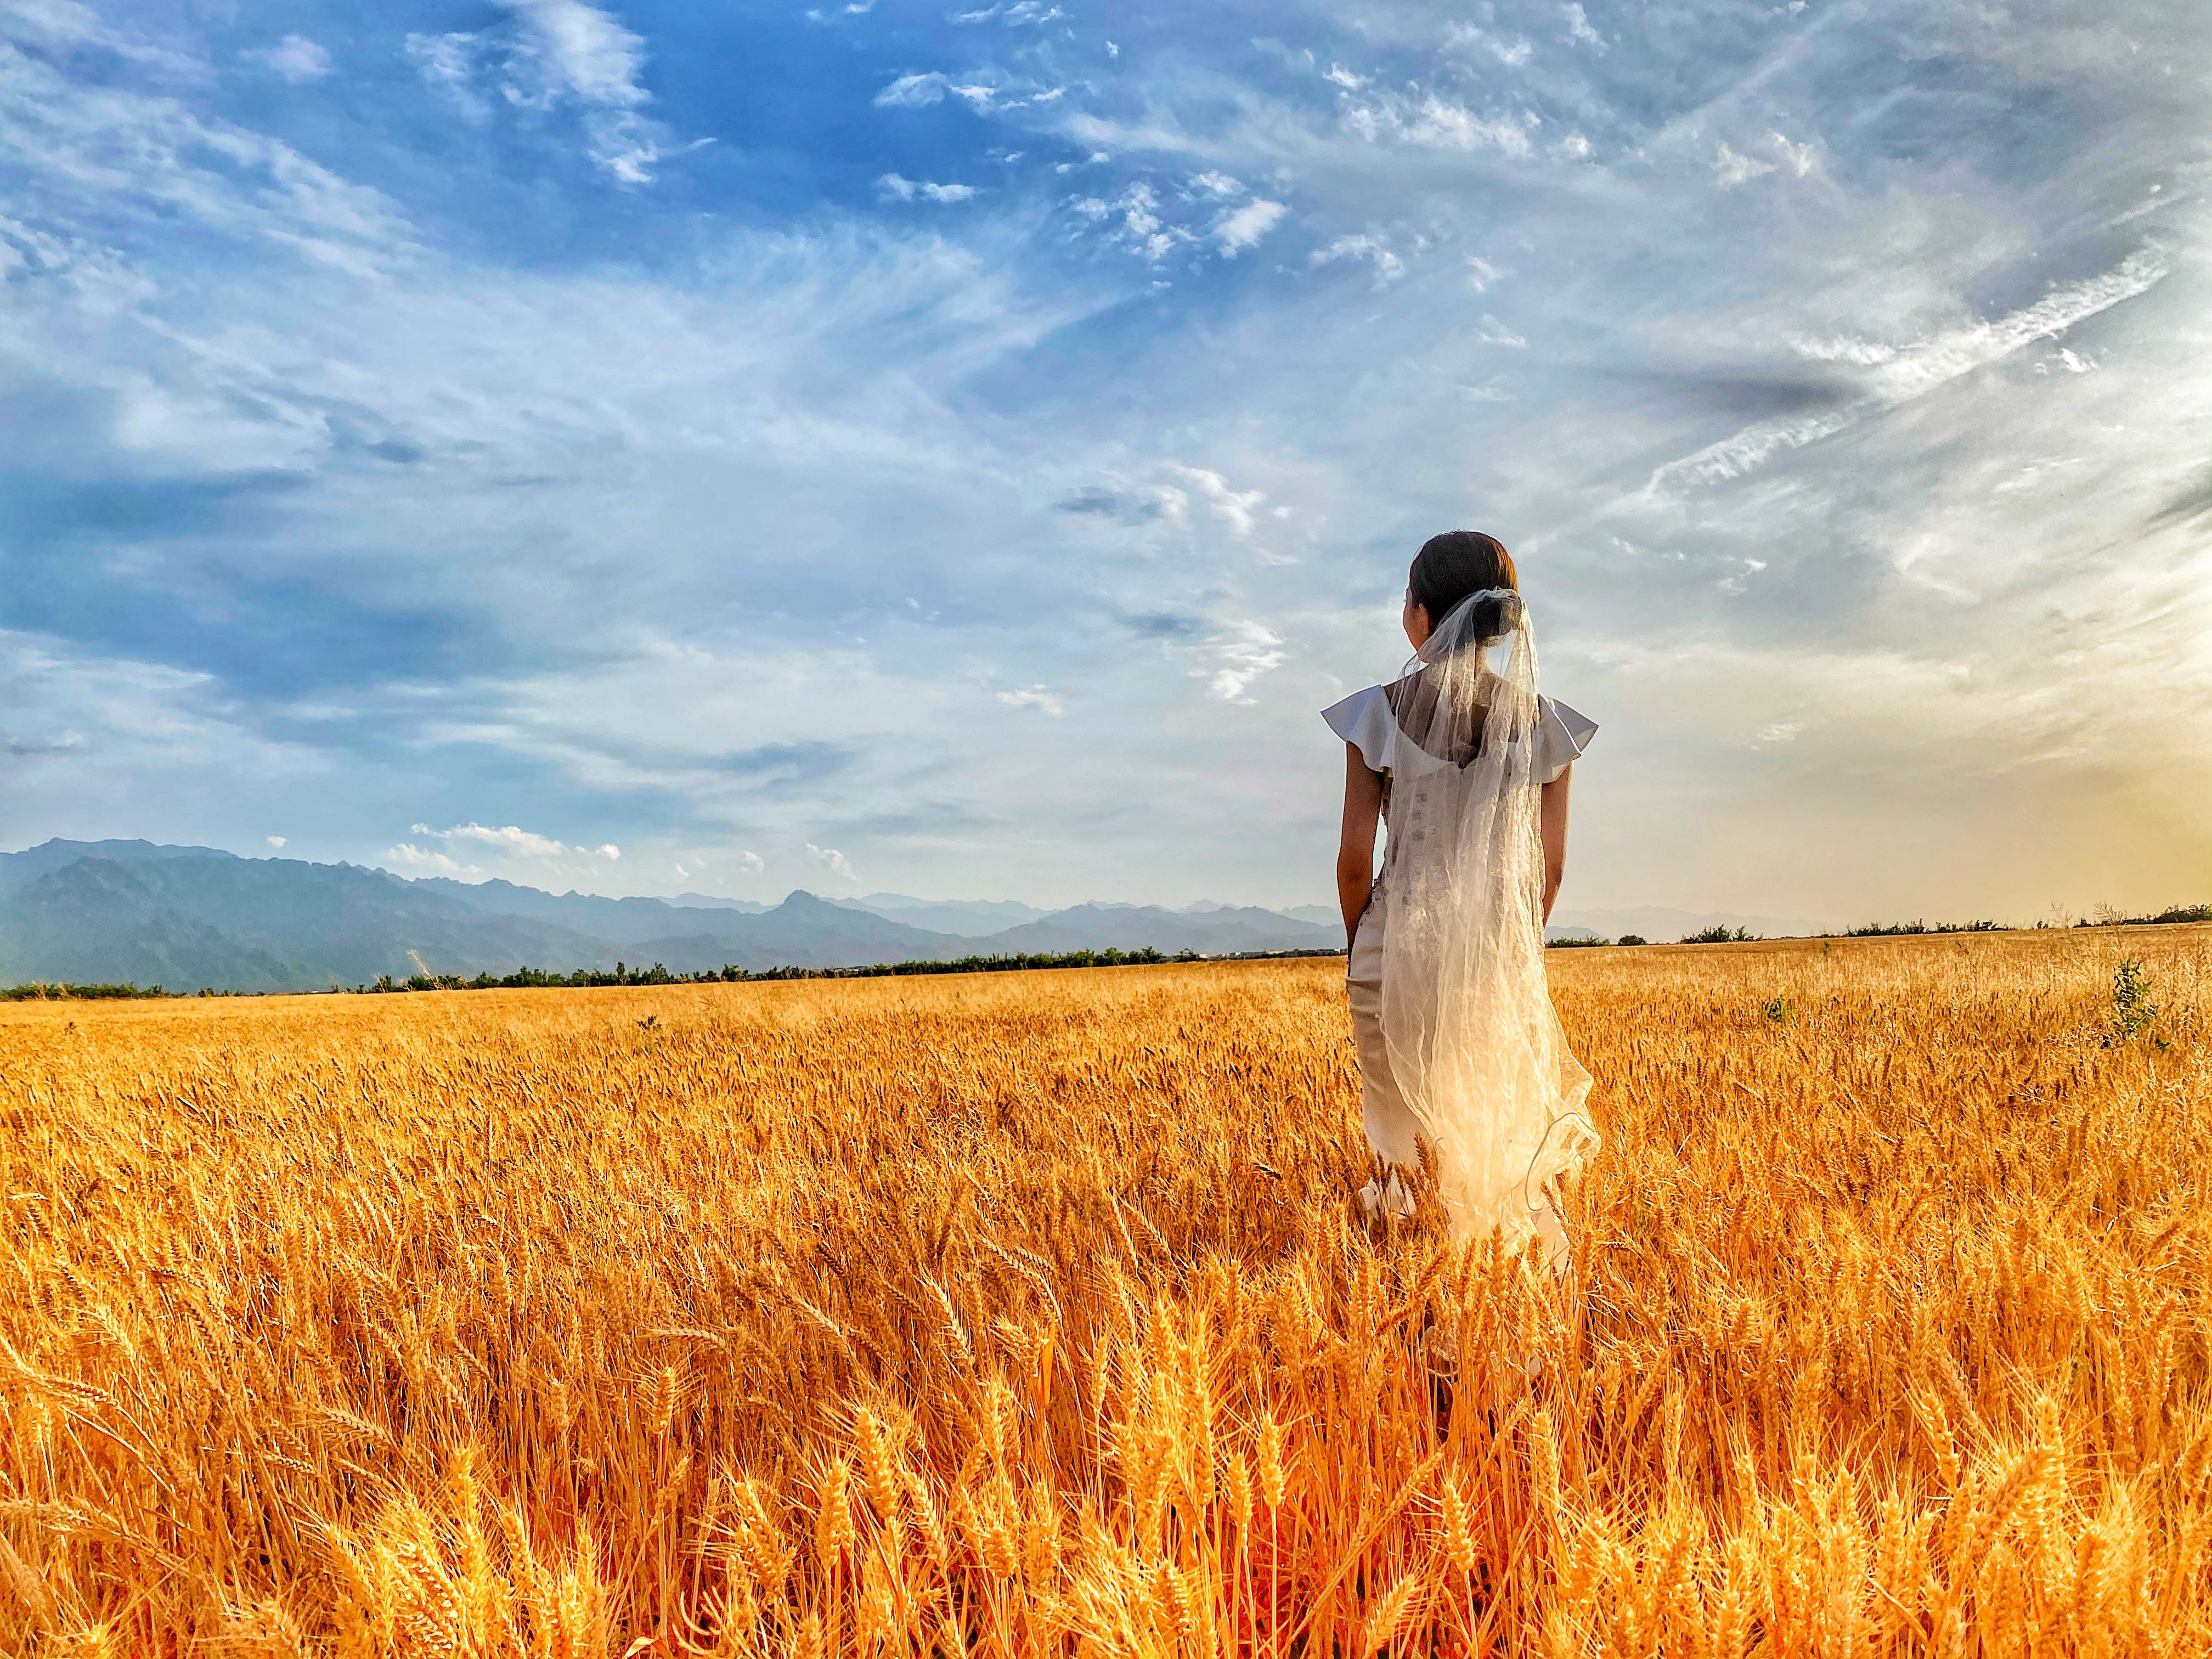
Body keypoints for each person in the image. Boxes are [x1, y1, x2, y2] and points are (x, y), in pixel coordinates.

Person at [1322, 531, 1600, 1274]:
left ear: (1419, 616)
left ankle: (1401, 1315)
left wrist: (1365, 948)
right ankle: (1501, 1308)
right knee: (1486, 1129)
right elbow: (1550, 869)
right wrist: (1504, 949)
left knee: (1397, 1146)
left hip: (1393, 951)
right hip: (1489, 955)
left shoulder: (1375, 714)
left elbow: (1355, 861)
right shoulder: (1547, 725)